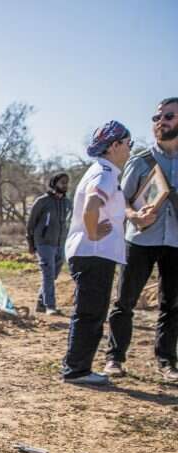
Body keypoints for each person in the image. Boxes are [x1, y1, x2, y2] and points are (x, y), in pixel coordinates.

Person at [105, 97, 178, 382]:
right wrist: (133, 217)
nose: (161, 122)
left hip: (175, 243)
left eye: (169, 116)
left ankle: (167, 362)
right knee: (124, 302)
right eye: (157, 117)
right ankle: (115, 358)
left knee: (172, 305)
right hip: (140, 241)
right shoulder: (142, 159)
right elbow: (119, 201)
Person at [61, 121, 133, 386]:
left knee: (90, 311)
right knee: (90, 313)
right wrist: (93, 233)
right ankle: (77, 370)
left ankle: (77, 367)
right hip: (94, 253)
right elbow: (92, 205)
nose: (128, 150)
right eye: (127, 144)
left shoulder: (103, 171)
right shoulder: (105, 172)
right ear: (114, 146)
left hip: (94, 253)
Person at [26, 173, 71, 315]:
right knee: (48, 274)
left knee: (52, 275)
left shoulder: (67, 203)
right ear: (54, 183)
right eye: (62, 182)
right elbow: (31, 223)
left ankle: (41, 303)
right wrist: (30, 243)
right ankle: (50, 306)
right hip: (44, 243)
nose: (65, 185)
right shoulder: (42, 201)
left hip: (60, 244)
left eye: (67, 183)